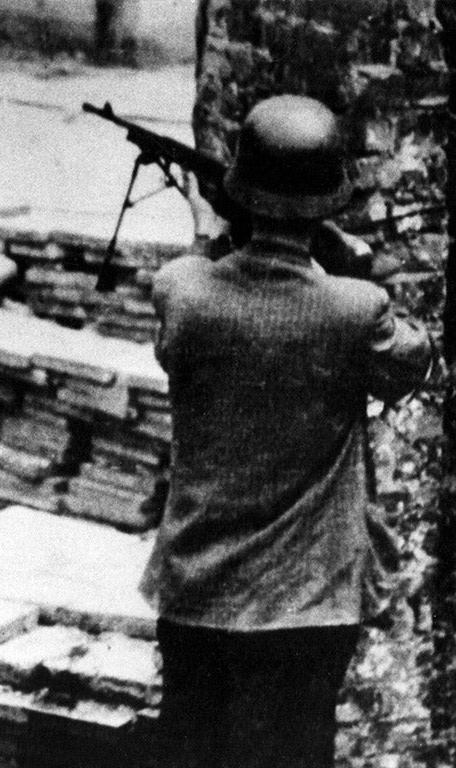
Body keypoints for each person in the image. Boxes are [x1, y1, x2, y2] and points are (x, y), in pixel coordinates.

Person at [144, 94, 435, 768]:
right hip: (310, 605)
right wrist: (353, 267)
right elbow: (412, 363)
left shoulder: (181, 291)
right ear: (329, 203)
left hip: (199, 592)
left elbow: (192, 294)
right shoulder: (355, 310)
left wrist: (222, 229)